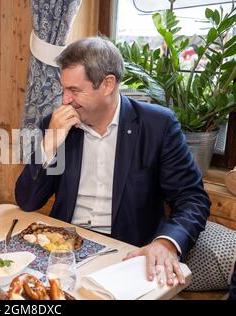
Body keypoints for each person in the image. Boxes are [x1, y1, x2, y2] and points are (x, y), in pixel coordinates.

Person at [15, 37, 210, 286]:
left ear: (108, 84)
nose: (65, 100)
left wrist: (165, 243)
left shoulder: (157, 126)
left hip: (126, 254)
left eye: (74, 90)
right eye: (63, 89)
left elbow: (192, 198)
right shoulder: (58, 125)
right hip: (65, 249)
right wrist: (50, 143)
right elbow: (27, 201)